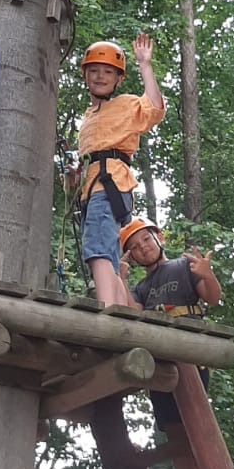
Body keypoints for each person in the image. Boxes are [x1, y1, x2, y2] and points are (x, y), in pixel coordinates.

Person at [120, 218, 223, 469]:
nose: (143, 249)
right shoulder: (141, 287)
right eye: (135, 249)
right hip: (160, 361)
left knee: (194, 426)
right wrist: (121, 279)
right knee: (174, 431)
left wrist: (208, 275)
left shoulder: (182, 266)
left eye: (146, 241)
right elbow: (133, 312)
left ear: (158, 238)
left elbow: (212, 298)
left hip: (189, 355)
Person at [70, 36, 165, 306]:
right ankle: (119, 307)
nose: (100, 76)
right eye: (94, 70)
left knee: (98, 249)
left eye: (108, 72)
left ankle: (107, 309)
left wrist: (145, 65)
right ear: (85, 75)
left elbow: (155, 109)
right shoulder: (89, 116)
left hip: (109, 185)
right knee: (107, 251)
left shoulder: (125, 104)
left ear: (118, 79)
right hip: (91, 189)